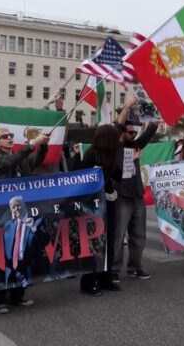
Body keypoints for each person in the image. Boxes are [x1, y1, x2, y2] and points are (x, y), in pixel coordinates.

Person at [0, 127, 49, 314]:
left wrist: (43, 146)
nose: (9, 138)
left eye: (11, 136)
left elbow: (34, 161)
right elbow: (12, 160)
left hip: (19, 215)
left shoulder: (19, 159)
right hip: (2, 214)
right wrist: (33, 142)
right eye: (5, 137)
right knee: (4, 256)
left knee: (21, 253)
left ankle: (17, 293)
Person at [72, 125, 123, 295]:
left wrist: (129, 162)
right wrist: (91, 172)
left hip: (109, 200)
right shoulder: (91, 154)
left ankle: (105, 277)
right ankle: (88, 281)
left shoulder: (113, 155)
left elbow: (119, 177)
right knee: (94, 242)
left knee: (109, 240)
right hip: (92, 204)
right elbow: (76, 175)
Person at [113, 96, 157, 281]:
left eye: (134, 133)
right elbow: (117, 125)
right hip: (122, 197)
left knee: (139, 235)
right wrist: (128, 105)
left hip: (137, 197)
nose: (133, 135)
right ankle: (114, 270)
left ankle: (135, 266)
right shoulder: (114, 146)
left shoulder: (135, 145)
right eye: (130, 133)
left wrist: (151, 111)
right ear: (122, 134)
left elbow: (150, 130)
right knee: (118, 235)